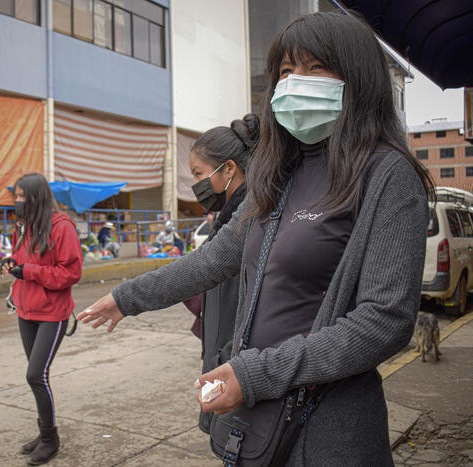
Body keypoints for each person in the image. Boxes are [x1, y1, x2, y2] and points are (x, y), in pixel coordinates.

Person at [78, 11, 433, 466]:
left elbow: (384, 322)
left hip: (329, 431)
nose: (295, 82)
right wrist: (127, 297)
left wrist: (254, 373)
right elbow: (211, 261)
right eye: (286, 71)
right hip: (257, 418)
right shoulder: (278, 176)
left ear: (357, 76)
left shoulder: (387, 177)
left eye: (316, 68)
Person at [184, 113, 259, 433]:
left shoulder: (249, 221)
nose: (197, 184)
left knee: (233, 440)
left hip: (234, 365)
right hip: (221, 358)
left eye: (200, 173)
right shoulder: (227, 217)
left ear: (229, 168)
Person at [1, 173, 82, 465]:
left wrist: (29, 271)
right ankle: (43, 433)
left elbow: (70, 273)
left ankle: (50, 439)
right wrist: (12, 263)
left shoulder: (62, 227)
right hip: (26, 311)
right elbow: (21, 260)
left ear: (36, 197)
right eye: (16, 197)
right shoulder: (23, 227)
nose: (18, 202)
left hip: (53, 313)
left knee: (36, 375)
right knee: (37, 377)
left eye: (22, 197)